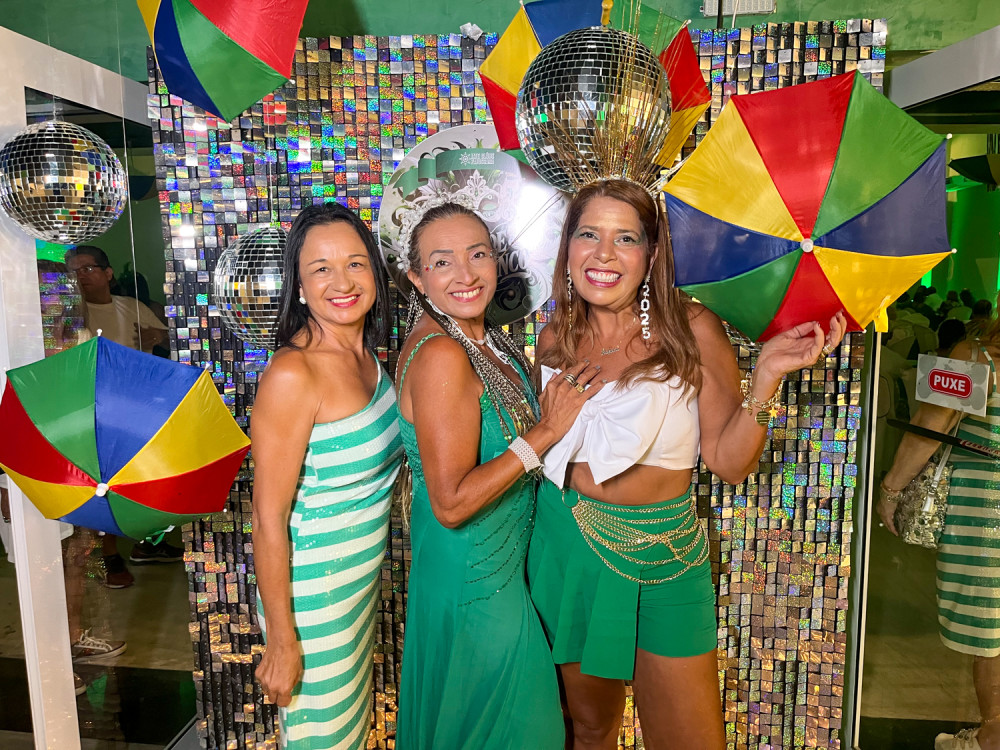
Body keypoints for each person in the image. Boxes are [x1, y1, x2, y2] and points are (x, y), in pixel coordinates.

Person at [528, 180, 847, 749]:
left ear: (652, 255)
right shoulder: (554, 336)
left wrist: (766, 380)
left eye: (626, 238)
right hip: (566, 547)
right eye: (589, 234)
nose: (604, 254)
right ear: (567, 247)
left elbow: (729, 462)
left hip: (666, 557)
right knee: (589, 728)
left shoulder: (690, 327)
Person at [394, 201, 602, 749]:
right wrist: (547, 431)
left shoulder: (487, 340)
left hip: (497, 576)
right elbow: (451, 503)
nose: (465, 274)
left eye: (478, 254)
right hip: (475, 584)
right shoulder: (442, 354)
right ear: (417, 278)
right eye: (443, 262)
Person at [252, 203, 403, 750]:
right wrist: (282, 640)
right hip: (312, 598)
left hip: (356, 590)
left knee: (350, 735)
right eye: (321, 269)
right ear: (299, 286)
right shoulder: (294, 373)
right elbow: (267, 518)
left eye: (355, 264)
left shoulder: (367, 357)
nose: (342, 282)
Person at [879, 318, 1000, 750]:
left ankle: (990, 738)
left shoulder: (975, 356)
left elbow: (930, 427)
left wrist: (891, 489)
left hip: (984, 513)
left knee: (991, 637)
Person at [64, 246, 178, 586]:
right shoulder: (72, 314)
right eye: (73, 271)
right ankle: (109, 554)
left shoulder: (131, 306)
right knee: (106, 485)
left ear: (108, 273)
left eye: (87, 268)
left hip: (139, 407)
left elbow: (167, 337)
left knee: (150, 478)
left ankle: (148, 542)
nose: (80, 276)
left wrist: (159, 336)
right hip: (95, 412)